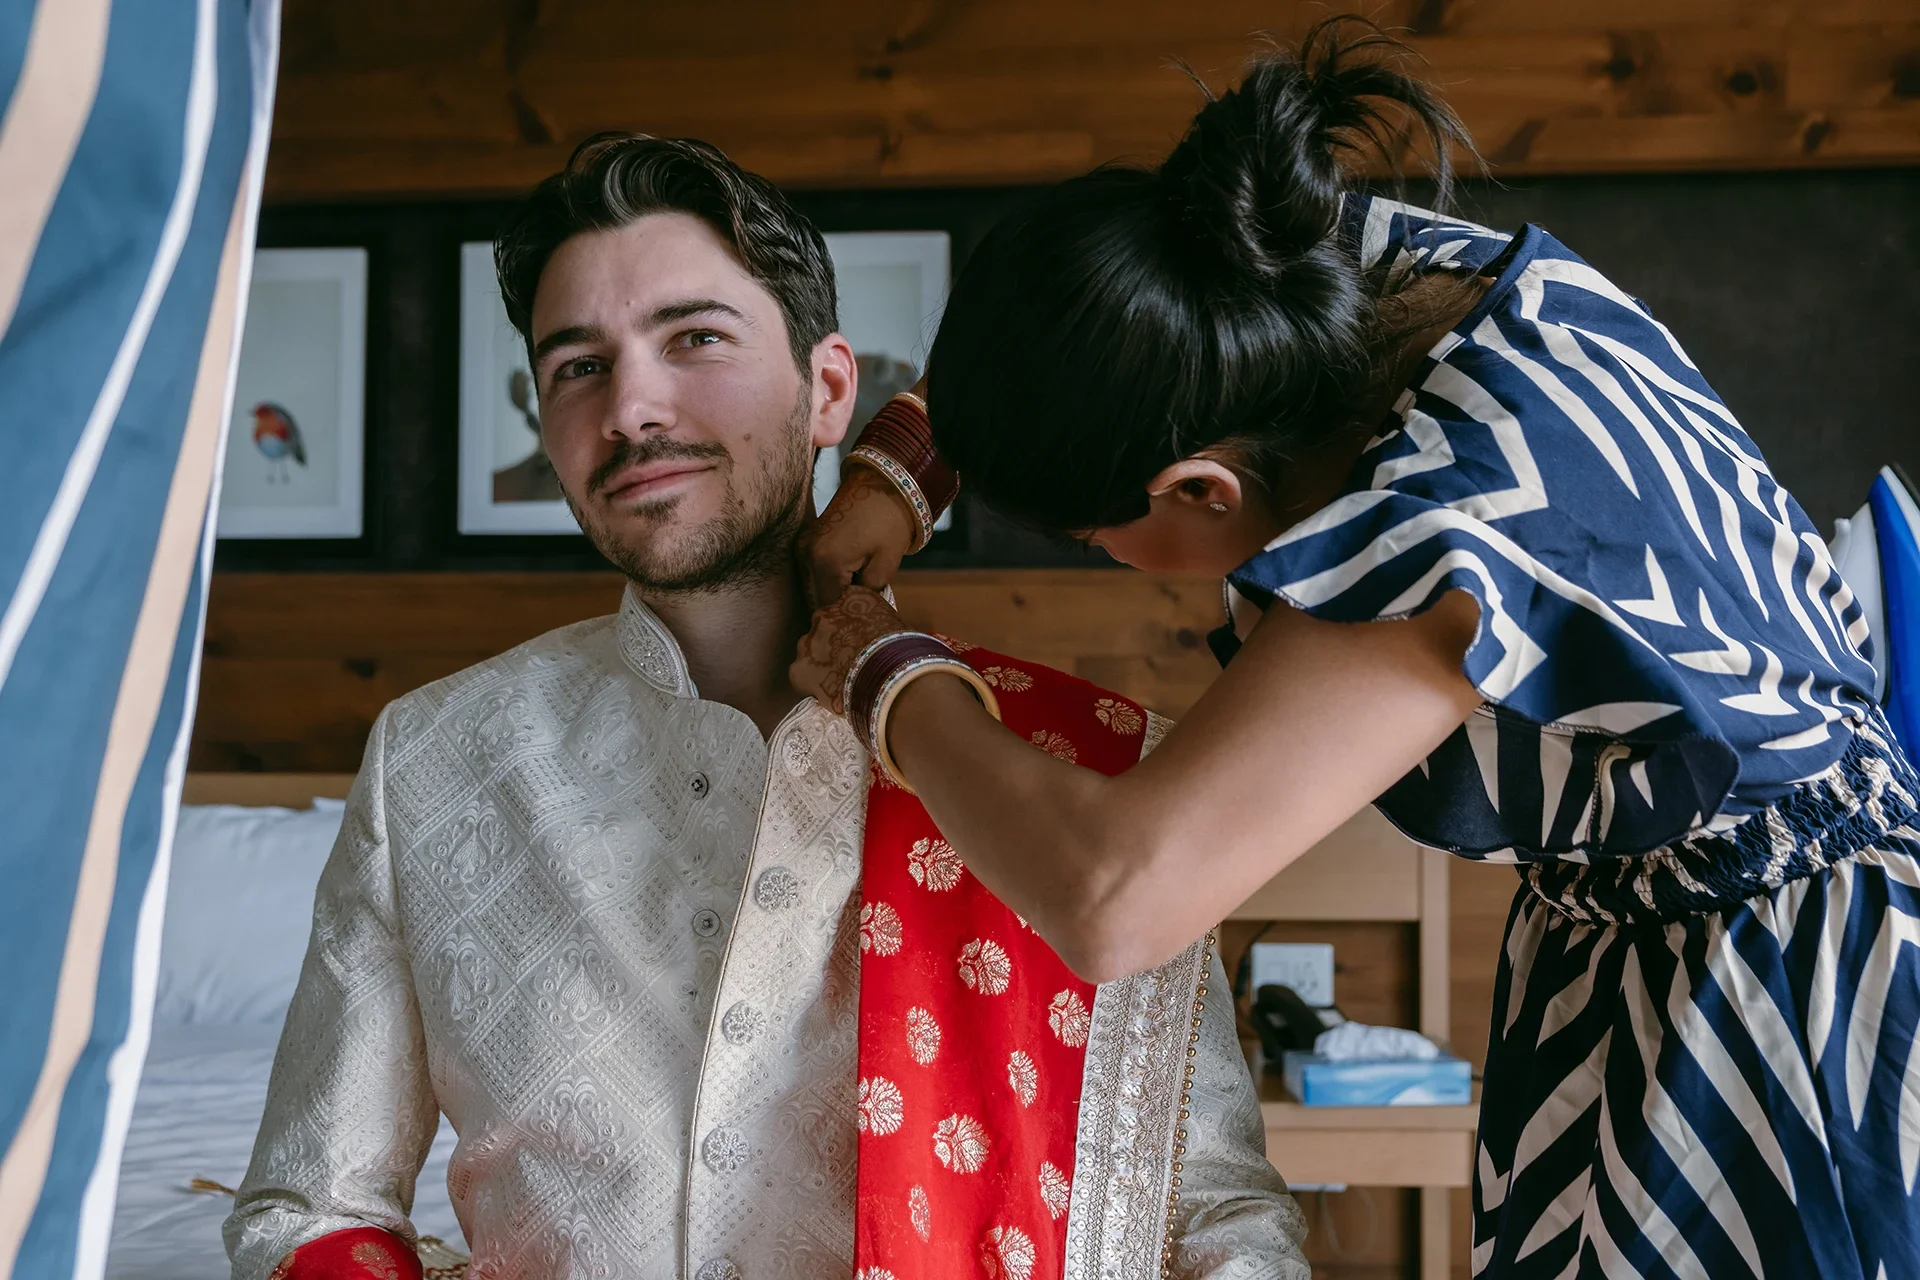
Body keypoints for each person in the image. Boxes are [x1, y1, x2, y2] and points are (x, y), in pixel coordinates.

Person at [792, 18, 1920, 1280]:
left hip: (1776, 1006)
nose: (1106, 555)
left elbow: (1115, 899)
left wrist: (878, 667)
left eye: (1099, 536)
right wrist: (905, 464)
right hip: (1656, 933)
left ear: (1203, 490)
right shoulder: (1322, 274)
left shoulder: (1451, 530)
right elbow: (1132, 321)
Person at [224, 134, 1307, 1280]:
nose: (633, 406)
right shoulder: (436, 759)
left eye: (694, 338)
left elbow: (1215, 1220)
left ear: (831, 387)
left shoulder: (1091, 780)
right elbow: (309, 1208)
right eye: (577, 366)